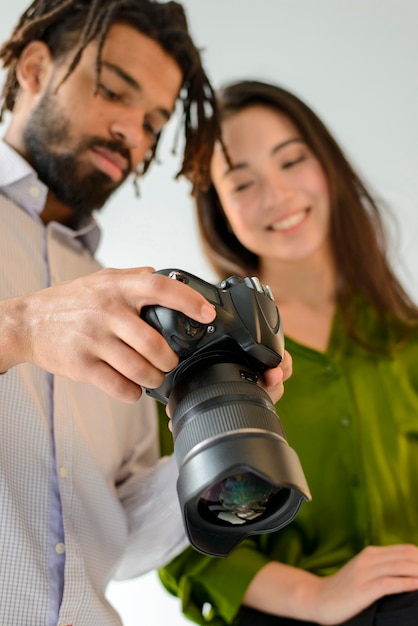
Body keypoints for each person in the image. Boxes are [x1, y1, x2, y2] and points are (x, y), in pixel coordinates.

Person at [0, 4, 293, 623]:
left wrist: (218, 446)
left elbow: (123, 543)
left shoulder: (122, 303)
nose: (132, 134)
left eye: (154, 122)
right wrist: (20, 329)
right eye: (113, 90)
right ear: (32, 68)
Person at [158, 79, 418, 626]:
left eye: (292, 161)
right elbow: (178, 539)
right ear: (220, 209)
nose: (277, 196)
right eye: (243, 182)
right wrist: (311, 597)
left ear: (327, 165)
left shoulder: (407, 339)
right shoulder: (198, 353)